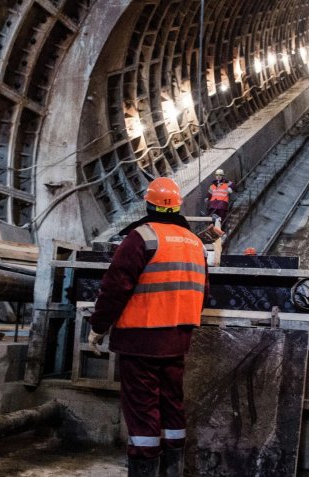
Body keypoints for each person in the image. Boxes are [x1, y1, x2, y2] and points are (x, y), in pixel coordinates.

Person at [87, 177, 208, 477]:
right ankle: (172, 471)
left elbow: (115, 288)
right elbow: (204, 291)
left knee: (143, 412)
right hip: (178, 339)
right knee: (171, 405)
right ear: (178, 206)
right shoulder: (196, 243)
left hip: (140, 339)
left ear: (148, 203)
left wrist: (98, 327)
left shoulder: (142, 237)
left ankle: (143, 471)